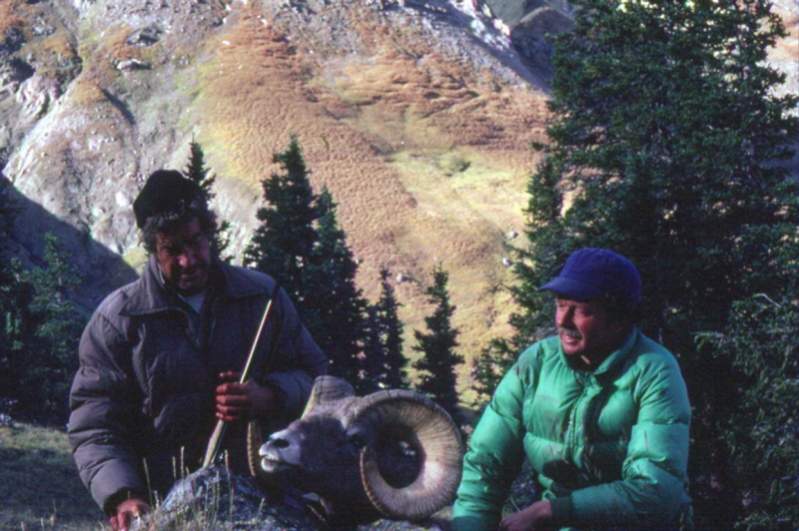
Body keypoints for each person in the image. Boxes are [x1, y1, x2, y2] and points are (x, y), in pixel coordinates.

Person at [68, 170, 328, 531]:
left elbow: (321, 384)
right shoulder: (118, 321)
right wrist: (123, 493)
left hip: (268, 497)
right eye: (172, 250)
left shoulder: (262, 298)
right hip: (164, 506)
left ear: (209, 232)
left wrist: (267, 396)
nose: (188, 260)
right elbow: (95, 426)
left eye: (195, 242)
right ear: (153, 249)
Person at [453, 248, 692, 530]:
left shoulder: (654, 371)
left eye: (581, 310)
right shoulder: (537, 364)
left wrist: (551, 511)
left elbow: (654, 492)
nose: (563, 321)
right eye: (560, 304)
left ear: (619, 318)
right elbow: (485, 465)